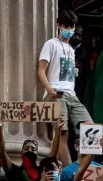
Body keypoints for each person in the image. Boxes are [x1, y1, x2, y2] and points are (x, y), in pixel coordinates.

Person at [38, 9, 92, 164]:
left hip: (71, 94)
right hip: (56, 92)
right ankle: (70, 171)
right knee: (63, 133)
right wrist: (50, 90)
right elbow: (41, 69)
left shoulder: (71, 49)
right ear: (59, 26)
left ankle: (85, 168)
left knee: (90, 128)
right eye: (66, 26)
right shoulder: (50, 44)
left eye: (71, 27)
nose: (69, 30)